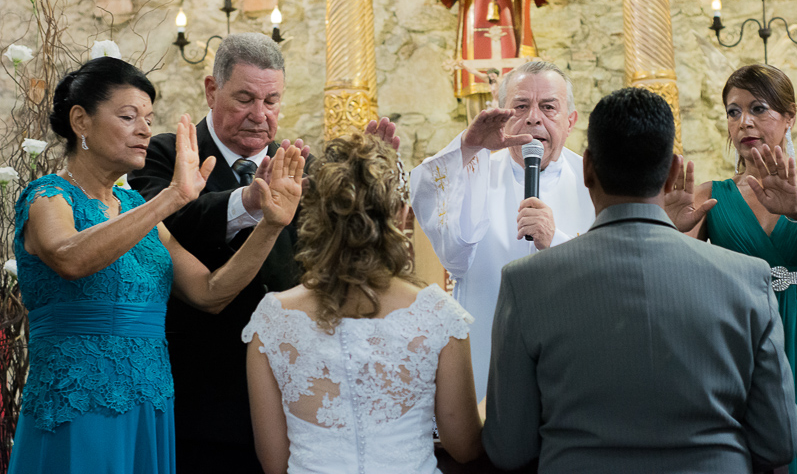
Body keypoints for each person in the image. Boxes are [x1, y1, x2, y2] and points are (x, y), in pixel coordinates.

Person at [483, 86, 797, 473]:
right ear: (672, 173)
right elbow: (781, 440)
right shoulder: (748, 278)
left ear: (587, 170)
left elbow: (509, 448)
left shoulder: (525, 283)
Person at [8, 57, 304, 474]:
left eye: (148, 118)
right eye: (129, 116)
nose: (145, 129)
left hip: (152, 404)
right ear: (81, 121)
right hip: (79, 404)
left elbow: (211, 293)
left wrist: (271, 225)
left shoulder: (137, 209)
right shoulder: (47, 197)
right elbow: (69, 257)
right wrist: (173, 197)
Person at [128, 32, 400, 473]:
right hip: (203, 391)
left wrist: (372, 176)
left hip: (294, 390)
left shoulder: (302, 165)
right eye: (245, 99)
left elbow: (346, 247)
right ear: (211, 90)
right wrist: (250, 202)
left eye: (272, 101)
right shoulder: (166, 153)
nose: (260, 115)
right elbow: (177, 220)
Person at [667, 64, 797, 474]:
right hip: (740, 350)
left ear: (790, 116)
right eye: (733, 111)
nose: (744, 121)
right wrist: (669, 230)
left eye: (758, 108)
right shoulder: (711, 195)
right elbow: (677, 275)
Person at [243, 132, 483, 473]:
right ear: (401, 216)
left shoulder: (272, 319)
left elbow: (273, 462)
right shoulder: (438, 314)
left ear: (316, 217)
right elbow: (463, 447)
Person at [410, 61, 595, 402]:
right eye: (521, 106)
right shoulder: (473, 170)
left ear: (571, 121)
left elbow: (610, 272)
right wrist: (467, 146)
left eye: (549, 107)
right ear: (502, 114)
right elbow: (429, 205)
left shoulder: (595, 180)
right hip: (489, 357)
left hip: (574, 361)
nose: (534, 118)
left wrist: (555, 241)